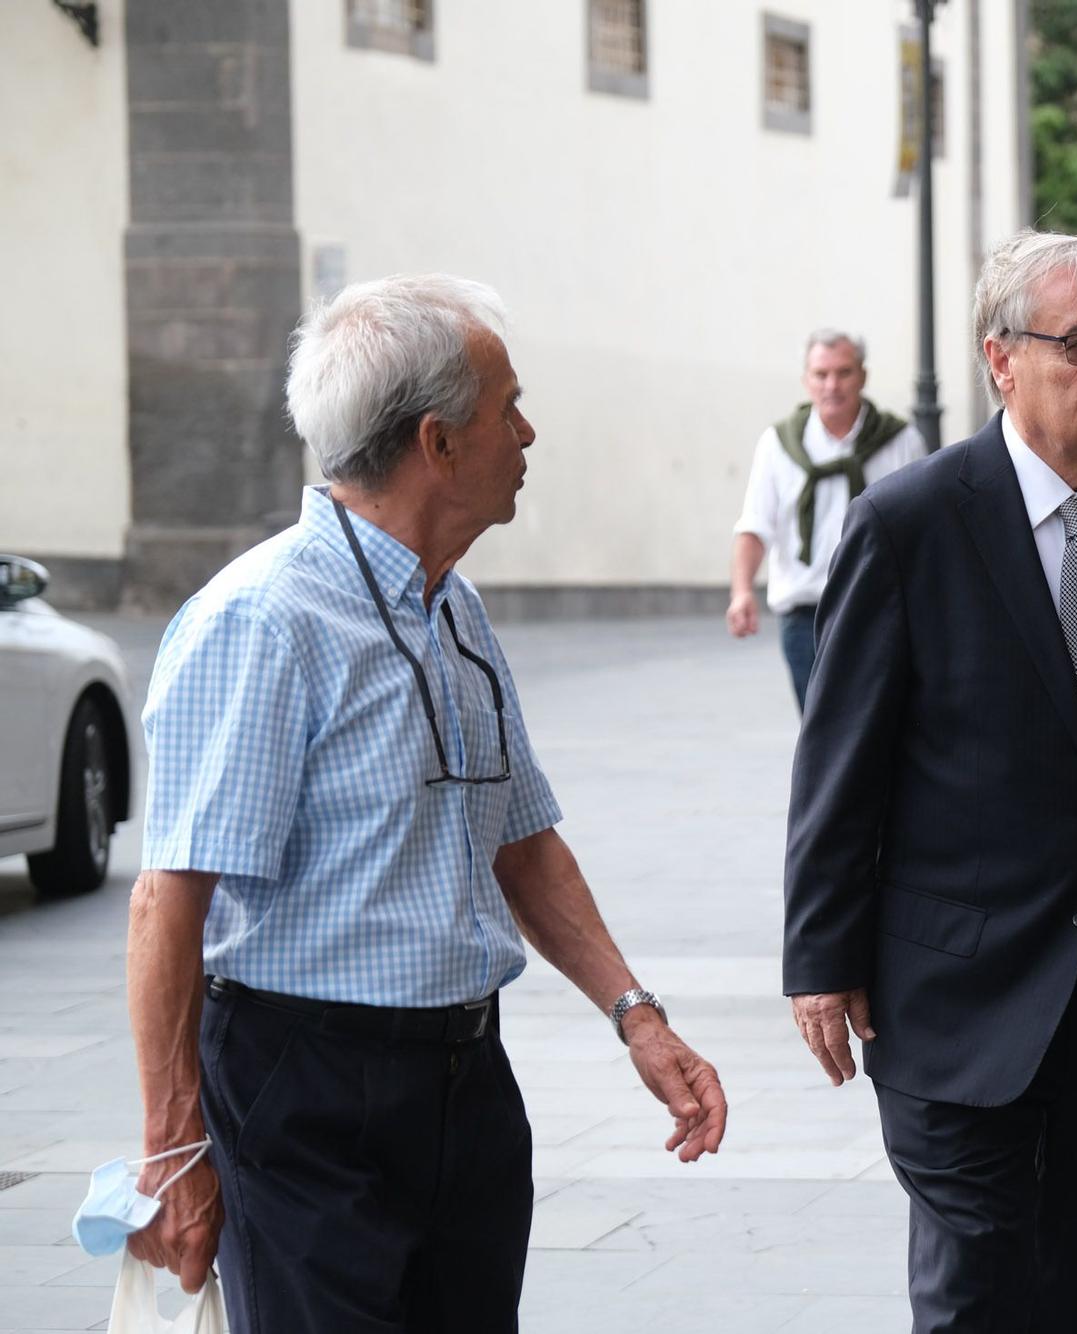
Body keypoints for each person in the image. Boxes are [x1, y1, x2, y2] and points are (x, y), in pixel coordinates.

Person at [125, 276, 728, 1330]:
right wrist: (175, 1147)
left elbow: (522, 840)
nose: (527, 432)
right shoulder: (263, 620)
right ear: (437, 442)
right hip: (306, 1086)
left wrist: (638, 1017)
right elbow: (168, 897)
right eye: (507, 407)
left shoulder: (454, 606)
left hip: (464, 1080)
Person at [782, 230, 1077, 1332]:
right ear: (1000, 360)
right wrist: (819, 959)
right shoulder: (908, 524)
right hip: (956, 1000)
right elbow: (841, 763)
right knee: (976, 1294)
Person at [728, 330, 928, 707]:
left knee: (879, 724)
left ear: (863, 377)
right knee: (820, 731)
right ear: (806, 380)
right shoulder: (778, 444)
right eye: (821, 374)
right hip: (805, 617)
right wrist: (741, 593)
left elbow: (924, 531)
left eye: (844, 372)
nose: (832, 385)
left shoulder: (901, 441)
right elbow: (755, 525)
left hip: (878, 611)